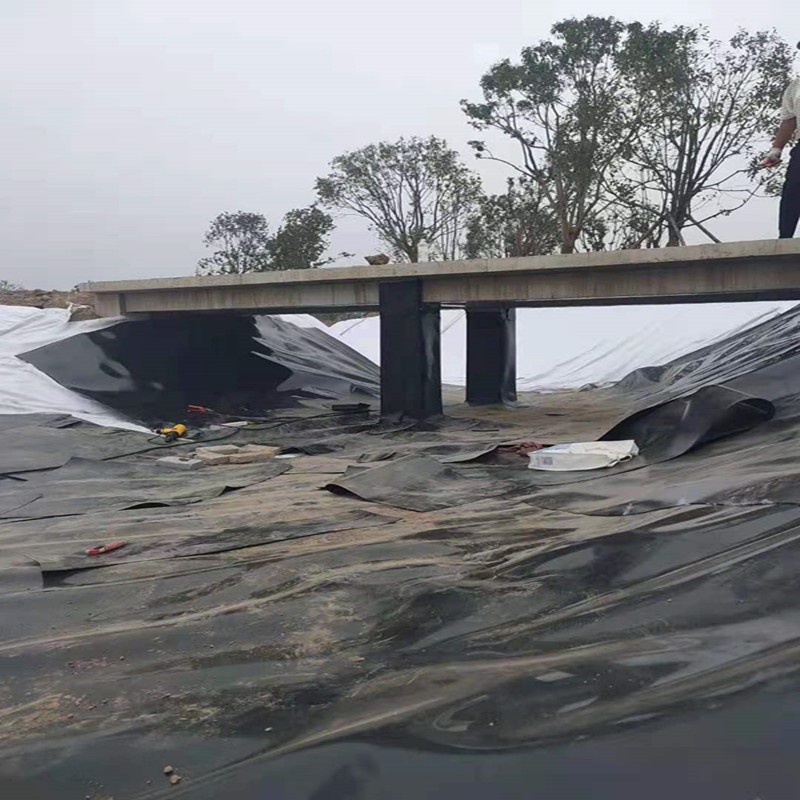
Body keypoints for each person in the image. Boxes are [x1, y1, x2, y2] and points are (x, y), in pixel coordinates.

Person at [764, 70, 800, 238]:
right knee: (793, 189)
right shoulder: (795, 87)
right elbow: (789, 120)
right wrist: (776, 149)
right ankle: (785, 238)